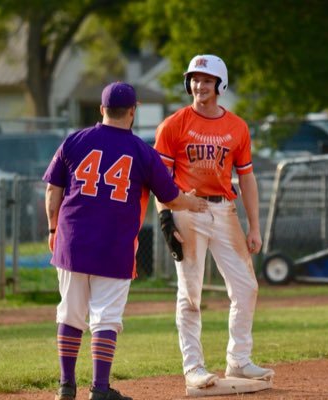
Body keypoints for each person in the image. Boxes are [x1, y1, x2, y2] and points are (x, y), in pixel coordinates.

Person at [43, 82, 208, 400]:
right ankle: (100, 389)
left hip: (72, 240)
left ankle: (66, 386)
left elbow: (53, 190)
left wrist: (52, 230)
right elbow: (171, 198)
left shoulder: (75, 140)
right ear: (133, 111)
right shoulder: (142, 152)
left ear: (101, 110)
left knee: (70, 313)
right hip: (115, 247)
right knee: (105, 317)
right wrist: (193, 202)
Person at [154, 54, 275, 391]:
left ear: (220, 84)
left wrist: (254, 226)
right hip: (187, 209)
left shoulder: (237, 126)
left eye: (206, 80)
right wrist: (166, 217)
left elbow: (247, 179)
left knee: (247, 287)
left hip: (224, 211)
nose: (199, 85)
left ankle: (238, 359)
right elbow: (160, 178)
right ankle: (193, 368)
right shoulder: (174, 124)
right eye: (194, 79)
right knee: (190, 293)